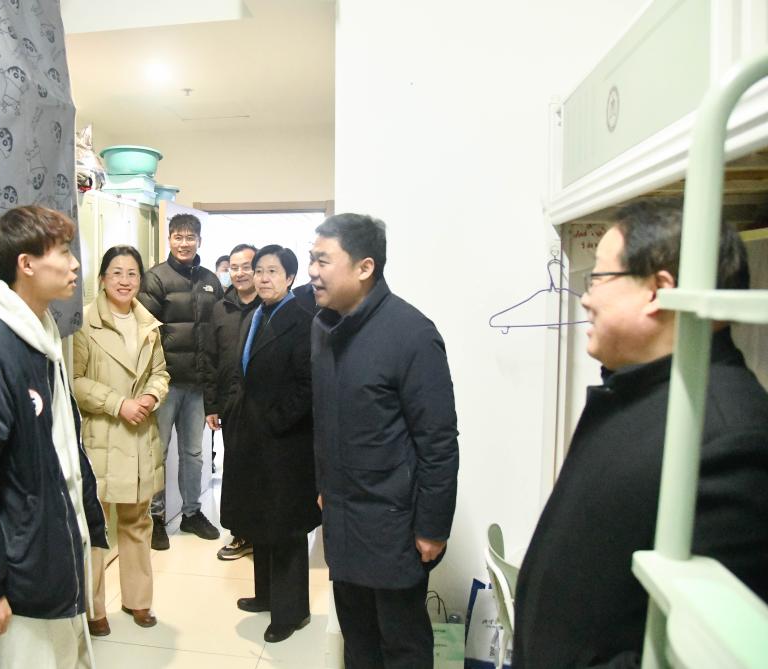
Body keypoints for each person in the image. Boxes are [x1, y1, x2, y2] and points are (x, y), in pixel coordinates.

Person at [513, 200, 768, 668]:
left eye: (599, 279)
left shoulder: (728, 435)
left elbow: (703, 653)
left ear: (658, 291)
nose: (586, 298)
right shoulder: (642, 394)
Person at [0, 205, 108, 669]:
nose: (74, 264)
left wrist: (91, 523)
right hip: (17, 575)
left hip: (47, 555)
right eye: (63, 252)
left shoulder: (37, 333)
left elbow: (62, 450)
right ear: (26, 264)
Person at [308, 213, 459, 669]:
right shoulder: (323, 328)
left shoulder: (412, 334)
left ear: (364, 267)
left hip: (394, 526)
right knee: (357, 641)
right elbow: (325, 420)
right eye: (312, 259)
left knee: (402, 644)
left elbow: (438, 441)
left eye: (323, 260)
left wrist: (432, 527)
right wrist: (323, 486)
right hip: (342, 516)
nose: (312, 271)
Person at [220, 245, 321, 642]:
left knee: (286, 529)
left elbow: (308, 386)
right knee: (259, 520)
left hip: (285, 444)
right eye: (259, 270)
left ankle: (291, 613)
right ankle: (265, 596)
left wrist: (276, 421)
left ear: (290, 278)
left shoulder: (303, 320)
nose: (262, 278)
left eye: (272, 271)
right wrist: (234, 413)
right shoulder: (255, 315)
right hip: (252, 438)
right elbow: (242, 373)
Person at [73, 245, 170, 637]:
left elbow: (160, 372)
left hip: (140, 434)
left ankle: (138, 600)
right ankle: (94, 608)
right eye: (116, 273)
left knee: (137, 522)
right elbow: (74, 381)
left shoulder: (148, 324)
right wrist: (118, 404)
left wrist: (150, 397)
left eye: (132, 273)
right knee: (96, 526)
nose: (125, 281)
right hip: (103, 435)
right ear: (102, 279)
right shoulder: (84, 323)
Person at [138, 213, 224, 549]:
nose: (184, 243)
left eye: (190, 237)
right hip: (165, 383)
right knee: (157, 452)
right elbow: (145, 331)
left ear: (199, 240)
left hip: (197, 384)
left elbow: (218, 329)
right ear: (169, 239)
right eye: (178, 237)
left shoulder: (210, 280)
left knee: (193, 453)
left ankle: (191, 513)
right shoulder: (155, 278)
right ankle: (156, 518)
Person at [205, 243, 262, 561]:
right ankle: (241, 533)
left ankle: (264, 533)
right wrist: (211, 405)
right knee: (236, 470)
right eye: (234, 267)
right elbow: (210, 359)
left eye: (246, 266)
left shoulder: (269, 307)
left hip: (265, 406)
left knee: (263, 470)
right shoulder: (220, 308)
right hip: (231, 404)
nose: (239, 273)